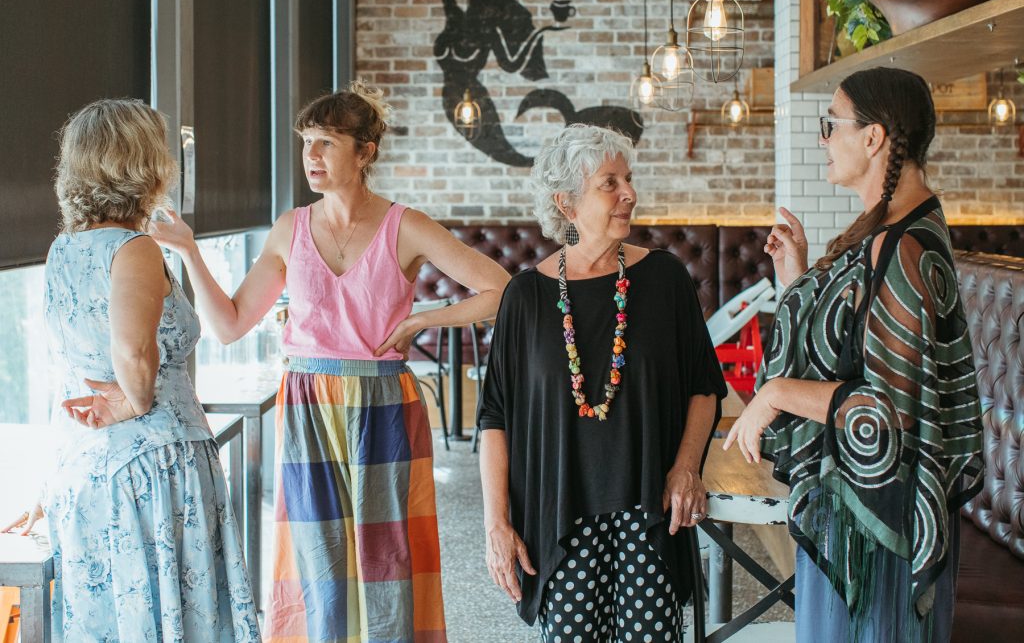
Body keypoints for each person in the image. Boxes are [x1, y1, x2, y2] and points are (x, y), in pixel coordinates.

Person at [148, 81, 510, 643]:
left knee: (388, 557)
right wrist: (189, 250)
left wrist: (421, 321)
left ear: (364, 151)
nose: (311, 156)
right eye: (306, 143)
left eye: (326, 143)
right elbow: (229, 324)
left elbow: (500, 289)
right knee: (319, 565)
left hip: (385, 403)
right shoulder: (290, 229)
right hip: (309, 406)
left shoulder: (404, 225)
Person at [724, 67, 984, 642]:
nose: (823, 139)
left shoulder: (905, 245)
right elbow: (858, 356)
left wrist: (773, 394)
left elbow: (885, 411)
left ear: (873, 139)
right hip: (863, 511)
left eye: (831, 125)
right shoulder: (891, 228)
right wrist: (795, 277)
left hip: (879, 531)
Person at [1, 99, 260, 641]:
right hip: (151, 470)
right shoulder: (134, 248)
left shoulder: (62, 250)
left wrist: (50, 482)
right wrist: (135, 400)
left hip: (89, 466)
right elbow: (134, 361)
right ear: (145, 165)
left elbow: (72, 380)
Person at [478, 124, 727, 642]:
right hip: (560, 516)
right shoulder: (525, 298)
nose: (629, 193)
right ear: (566, 203)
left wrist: (685, 468)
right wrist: (496, 525)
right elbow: (495, 418)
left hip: (649, 513)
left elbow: (704, 386)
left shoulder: (664, 279)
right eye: (609, 183)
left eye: (628, 179)